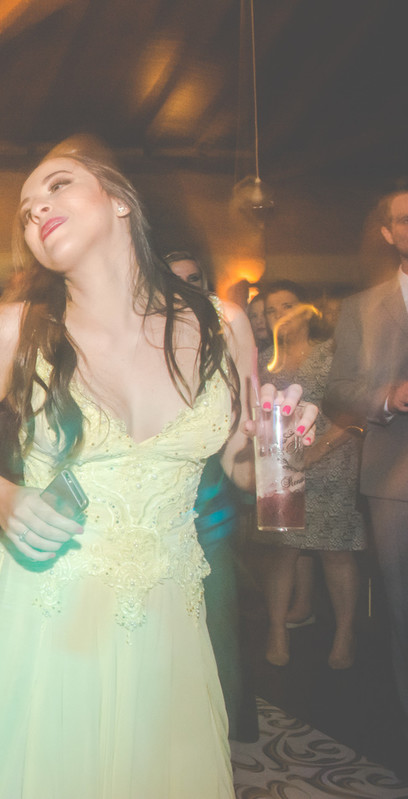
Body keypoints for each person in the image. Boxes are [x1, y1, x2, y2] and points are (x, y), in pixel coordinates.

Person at [0, 146, 317, 797]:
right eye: (26, 209)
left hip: (167, 617)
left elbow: (245, 470)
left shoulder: (224, 327)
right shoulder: (14, 329)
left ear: (120, 200)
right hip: (44, 607)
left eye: (57, 185)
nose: (36, 209)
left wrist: (285, 446)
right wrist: (0, 495)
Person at [164, 250, 259, 741]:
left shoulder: (226, 338)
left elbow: (243, 453)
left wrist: (271, 453)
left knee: (218, 630)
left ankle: (222, 743)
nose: (184, 289)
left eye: (194, 279)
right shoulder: (138, 346)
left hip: (211, 515)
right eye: (172, 280)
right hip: (148, 520)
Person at [326, 186, 408, 728]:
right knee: (403, 608)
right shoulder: (362, 308)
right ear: (389, 233)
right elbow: (338, 389)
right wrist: (386, 397)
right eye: (406, 220)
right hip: (395, 480)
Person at [255, 280, 365, 669]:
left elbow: (353, 408)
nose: (279, 315)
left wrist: (318, 449)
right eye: (270, 310)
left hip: (332, 460)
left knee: (334, 549)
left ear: (305, 310)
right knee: (283, 550)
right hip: (282, 466)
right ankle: (277, 630)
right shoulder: (264, 359)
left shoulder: (332, 352)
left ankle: (345, 633)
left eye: (287, 306)